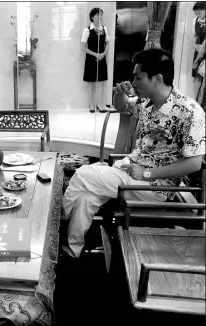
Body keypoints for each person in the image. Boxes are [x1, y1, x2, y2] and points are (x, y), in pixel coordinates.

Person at [62, 48, 205, 259]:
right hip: (129, 171)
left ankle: (58, 216)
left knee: (83, 174)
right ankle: (72, 250)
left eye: (138, 78)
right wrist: (119, 93)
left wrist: (146, 174)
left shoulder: (189, 112)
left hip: (153, 187)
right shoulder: (147, 103)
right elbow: (121, 107)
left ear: (157, 79)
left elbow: (194, 164)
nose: (134, 83)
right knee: (86, 198)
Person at [81, 7, 109, 113]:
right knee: (91, 83)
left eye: (101, 14)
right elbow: (83, 47)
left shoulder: (104, 29)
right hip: (91, 59)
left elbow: (107, 43)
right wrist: (95, 54)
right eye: (97, 15)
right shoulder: (87, 30)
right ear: (92, 17)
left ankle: (101, 106)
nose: (100, 17)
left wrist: (103, 54)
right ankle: (91, 106)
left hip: (102, 57)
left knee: (101, 82)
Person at [192, 2, 206, 100]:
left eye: (199, 13)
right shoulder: (195, 21)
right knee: (197, 74)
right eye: (196, 13)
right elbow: (195, 35)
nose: (197, 15)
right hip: (198, 48)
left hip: (203, 49)